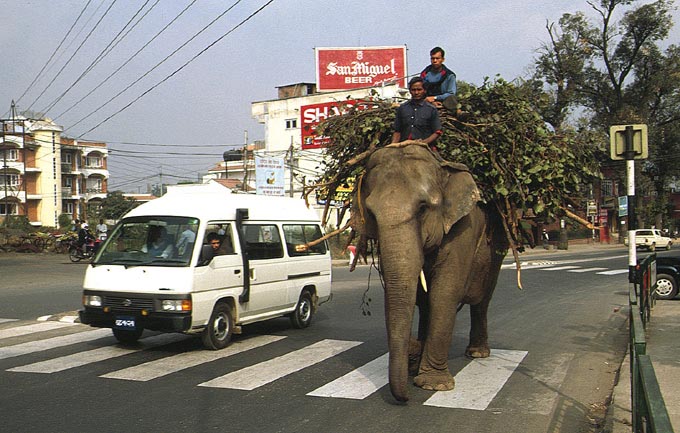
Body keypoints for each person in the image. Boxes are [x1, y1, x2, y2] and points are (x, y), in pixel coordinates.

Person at [391, 77, 442, 149]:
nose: (416, 92)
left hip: (425, 148)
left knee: (438, 160)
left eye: (419, 89)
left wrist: (423, 143)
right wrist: (393, 145)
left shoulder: (431, 109)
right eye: (413, 90)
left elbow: (437, 132)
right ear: (410, 91)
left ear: (424, 90)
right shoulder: (402, 108)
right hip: (404, 148)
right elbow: (397, 131)